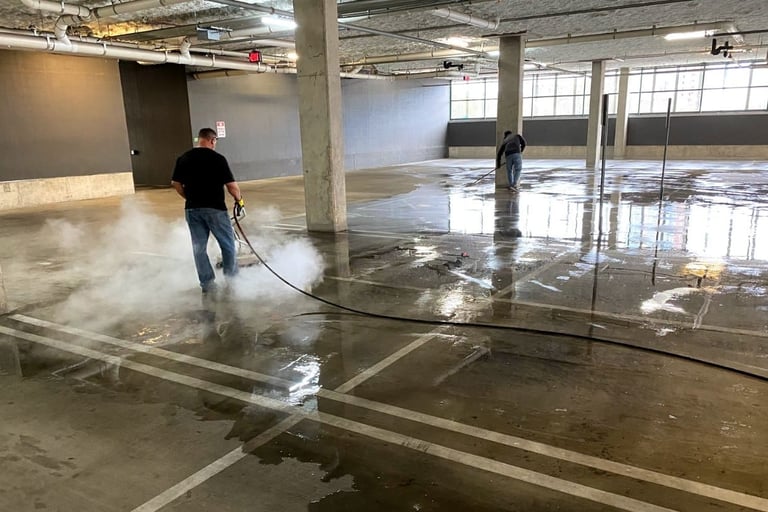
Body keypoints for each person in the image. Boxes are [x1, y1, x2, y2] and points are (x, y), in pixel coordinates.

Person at [171, 128, 245, 294]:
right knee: (227, 245)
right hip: (215, 209)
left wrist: (188, 197)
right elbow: (232, 186)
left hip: (192, 209)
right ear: (213, 140)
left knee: (199, 248)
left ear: (200, 139)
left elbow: (175, 183)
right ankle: (232, 280)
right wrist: (239, 200)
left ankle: (207, 284)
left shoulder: (183, 158)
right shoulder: (218, 159)